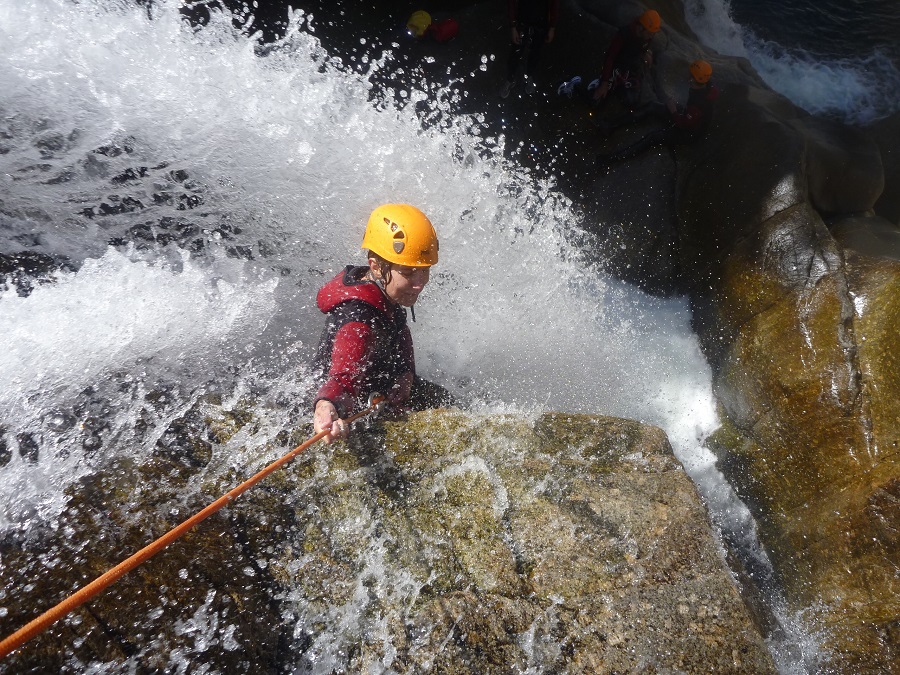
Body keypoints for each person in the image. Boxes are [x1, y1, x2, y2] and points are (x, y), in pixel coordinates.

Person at [311, 204, 453, 443]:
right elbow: (343, 375)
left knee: (447, 400)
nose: (420, 283)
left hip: (381, 387)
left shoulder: (382, 289)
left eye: (424, 270)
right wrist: (327, 407)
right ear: (376, 266)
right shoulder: (359, 320)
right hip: (349, 400)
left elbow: (399, 334)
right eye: (408, 272)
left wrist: (404, 376)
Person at [596, 59, 719, 170]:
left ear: (693, 78)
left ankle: (611, 159)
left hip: (689, 132)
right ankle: (610, 125)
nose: (688, 77)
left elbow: (683, 125)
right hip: (688, 115)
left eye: (690, 76)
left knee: (653, 137)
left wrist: (674, 111)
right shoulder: (706, 85)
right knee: (652, 106)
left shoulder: (698, 104)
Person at [558, 9, 662, 121]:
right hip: (616, 67)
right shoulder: (623, 35)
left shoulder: (647, 38)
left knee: (632, 101)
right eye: (650, 33)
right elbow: (610, 58)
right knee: (596, 103)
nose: (651, 37)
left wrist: (646, 53)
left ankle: (609, 88)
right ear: (641, 28)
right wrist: (604, 83)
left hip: (629, 69)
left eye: (653, 34)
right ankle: (574, 84)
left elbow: (643, 48)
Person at [499, 0, 561, 98]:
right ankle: (510, 79)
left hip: (541, 22)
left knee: (535, 52)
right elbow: (511, 3)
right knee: (515, 53)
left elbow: (555, 4)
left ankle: (529, 75)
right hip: (521, 20)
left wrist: (552, 27)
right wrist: (513, 26)